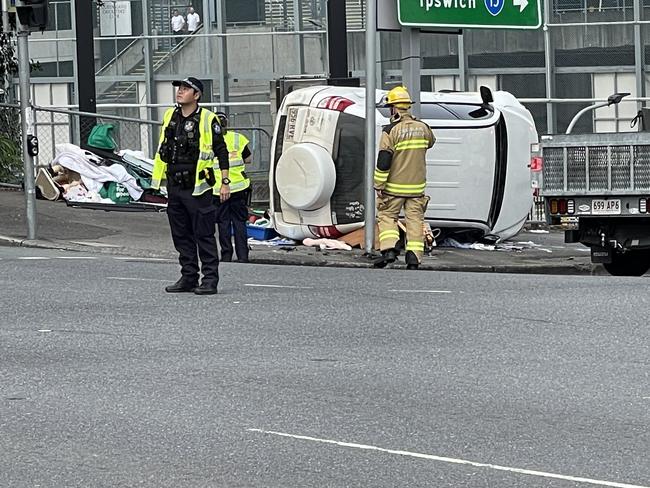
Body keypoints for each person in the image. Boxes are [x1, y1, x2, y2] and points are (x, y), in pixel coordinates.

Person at [151, 77, 230, 295]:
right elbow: (163, 149)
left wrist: (225, 182)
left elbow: (221, 150)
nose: (180, 92)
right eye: (179, 88)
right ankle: (188, 276)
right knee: (181, 234)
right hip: (175, 185)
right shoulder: (170, 116)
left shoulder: (207, 118)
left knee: (203, 234)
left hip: (198, 188)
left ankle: (210, 280)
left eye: (186, 89)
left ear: (196, 95)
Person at [373, 85, 435, 271]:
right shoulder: (423, 128)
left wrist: (378, 184)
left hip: (393, 187)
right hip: (416, 187)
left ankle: (389, 251)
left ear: (393, 108)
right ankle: (413, 258)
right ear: (407, 106)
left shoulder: (390, 130)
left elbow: (384, 160)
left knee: (387, 216)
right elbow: (431, 143)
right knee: (415, 220)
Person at [214, 111, 253, 263]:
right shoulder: (238, 138)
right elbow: (248, 159)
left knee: (223, 223)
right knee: (239, 222)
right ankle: (243, 256)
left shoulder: (208, 140)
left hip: (218, 189)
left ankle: (226, 255)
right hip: (239, 188)